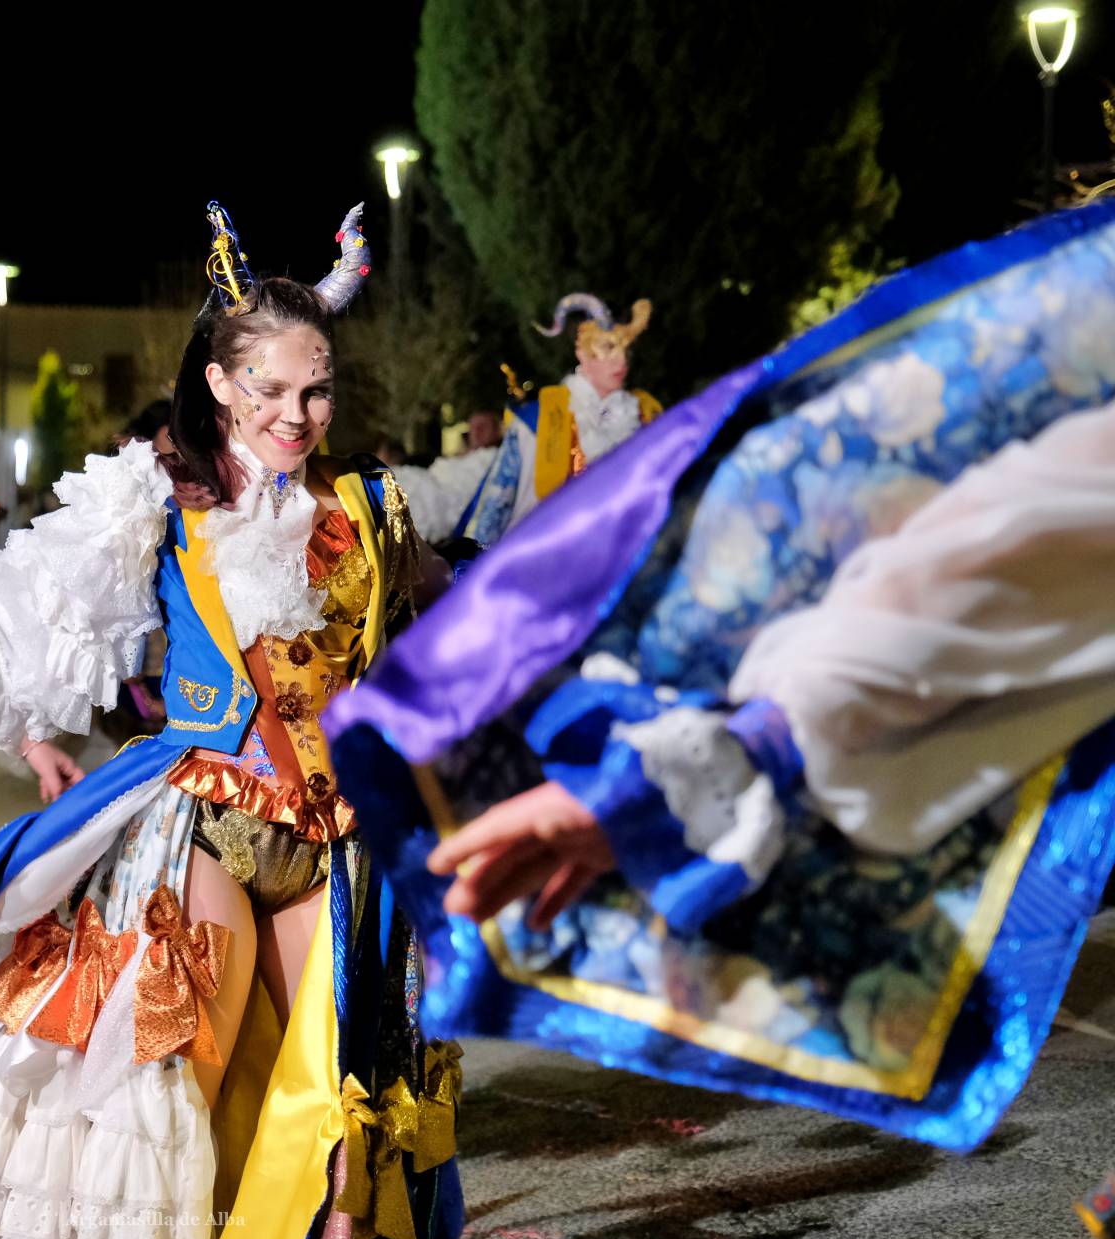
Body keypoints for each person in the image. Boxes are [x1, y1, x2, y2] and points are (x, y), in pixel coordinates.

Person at [0, 201, 466, 1239]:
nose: (295, 411)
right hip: (204, 822)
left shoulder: (369, 505)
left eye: (314, 387)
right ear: (219, 383)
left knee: (331, 1084)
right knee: (174, 1077)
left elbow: (436, 633)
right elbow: (23, 596)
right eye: (268, 388)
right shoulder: (156, 500)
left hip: (340, 840)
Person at [325, 198, 1115, 1153]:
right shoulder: (545, 422)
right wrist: (749, 745)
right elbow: (1015, 547)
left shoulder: (644, 414)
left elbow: (1011, 546)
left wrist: (752, 745)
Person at [461, 293, 664, 547]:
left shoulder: (644, 416)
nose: (622, 360)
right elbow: (494, 509)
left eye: (627, 348)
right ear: (582, 351)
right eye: (609, 347)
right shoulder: (534, 422)